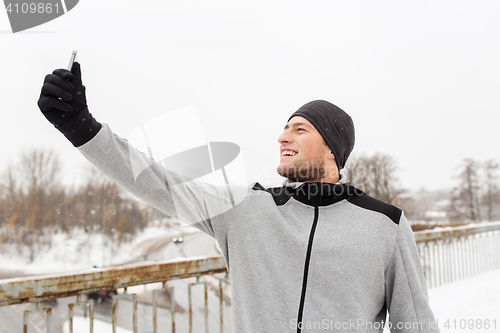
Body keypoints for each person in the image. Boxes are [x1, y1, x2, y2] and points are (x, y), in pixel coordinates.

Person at [38, 63, 440, 332]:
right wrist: (82, 127)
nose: (283, 136)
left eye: (300, 129)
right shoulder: (245, 210)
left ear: (333, 147)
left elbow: (416, 323)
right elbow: (155, 181)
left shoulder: (385, 224)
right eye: (284, 128)